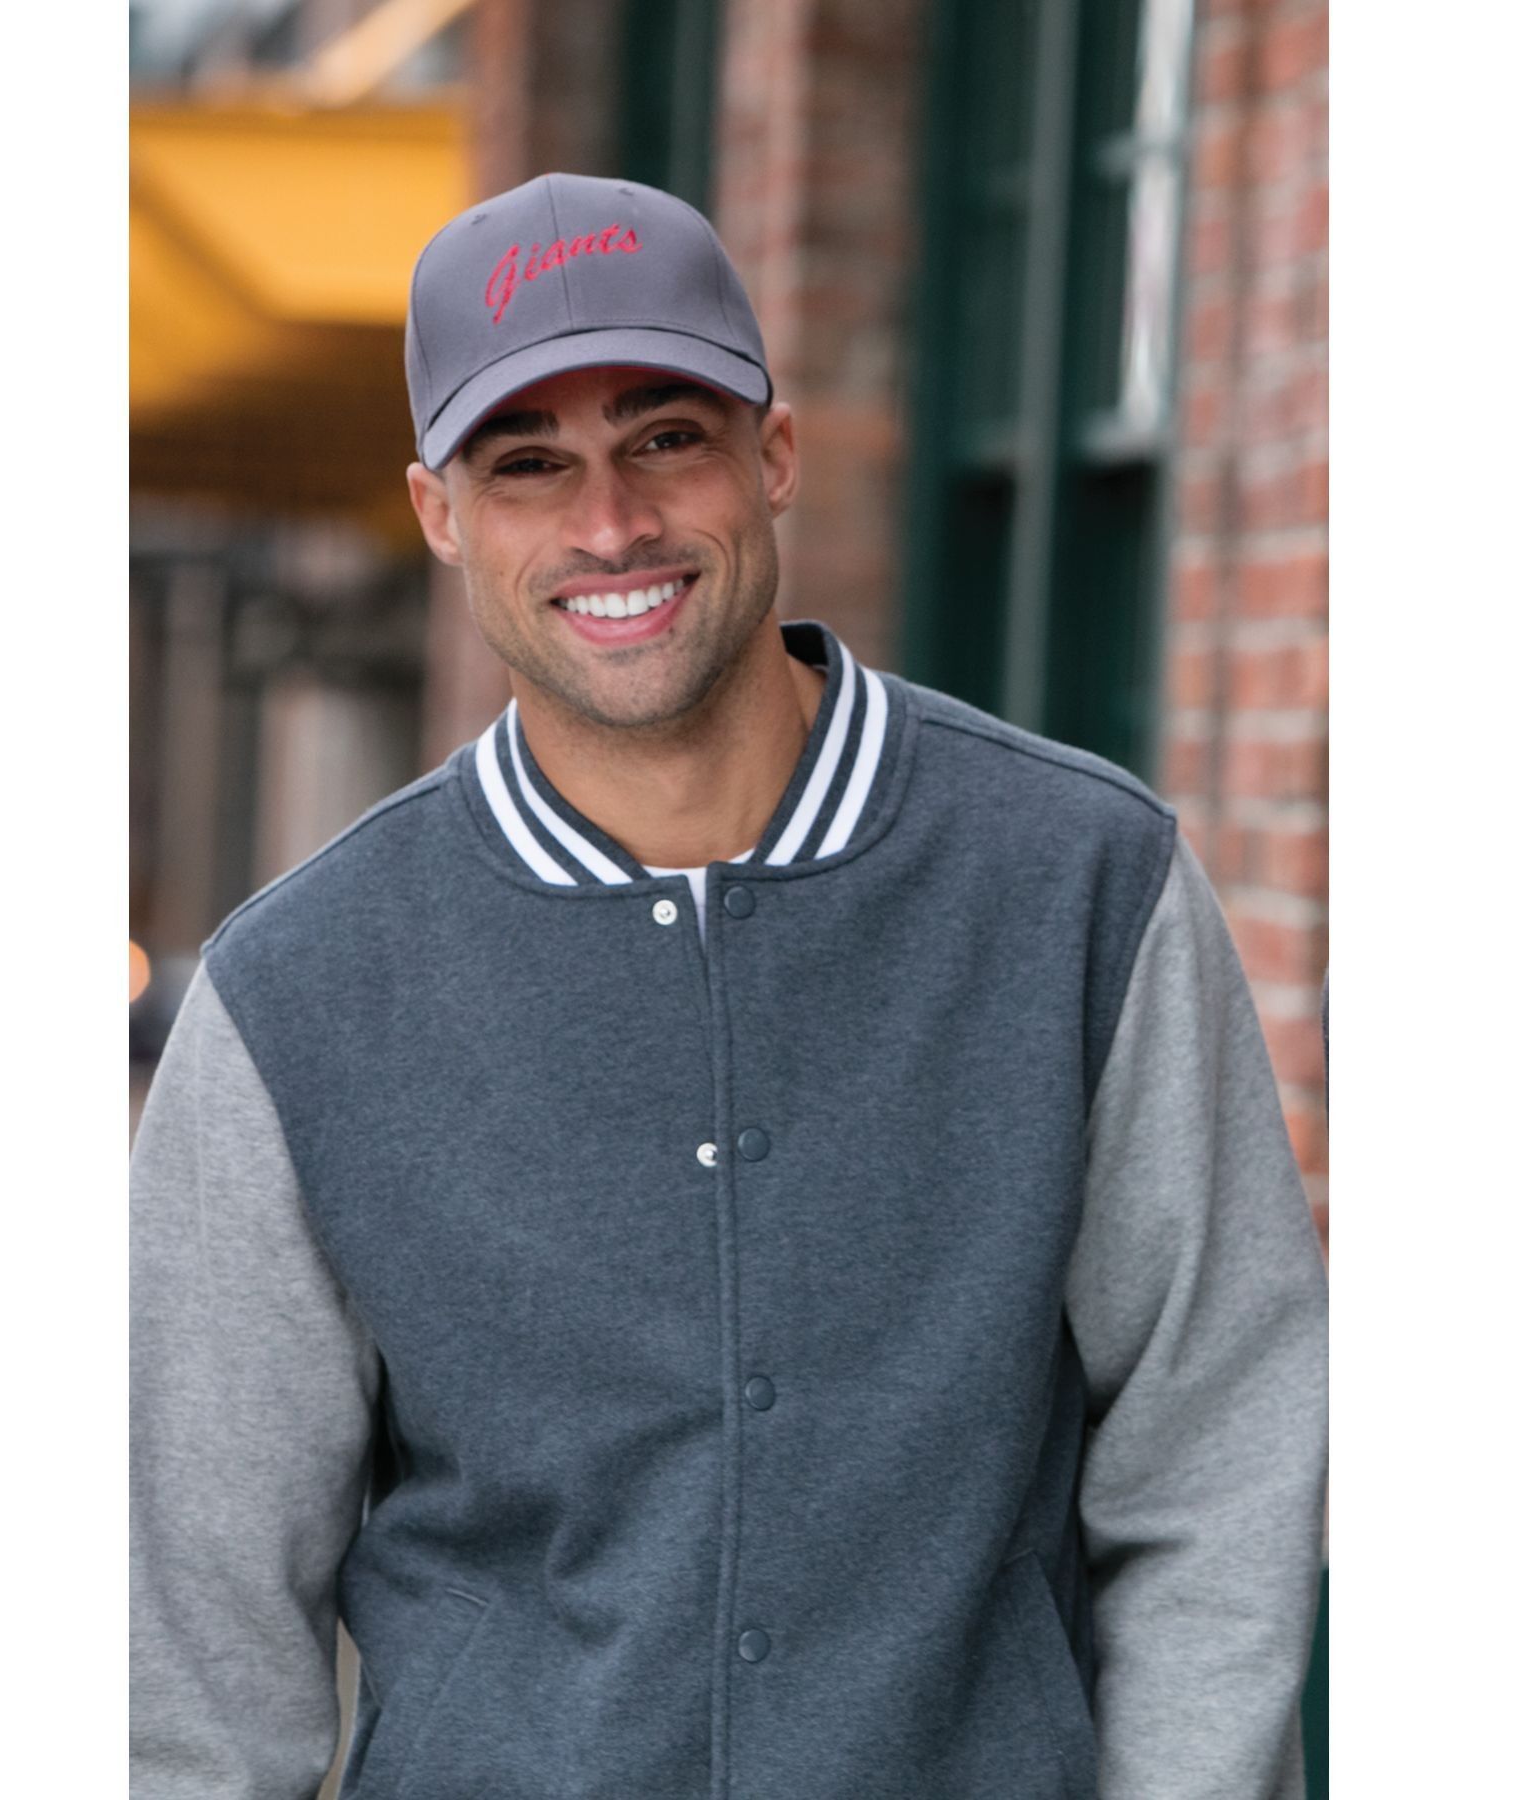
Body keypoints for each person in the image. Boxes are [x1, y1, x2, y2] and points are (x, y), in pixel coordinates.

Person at [130, 172, 1327, 1800]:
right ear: (440, 515)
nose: (610, 524)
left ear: (774, 454)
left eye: (666, 438)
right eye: (528, 464)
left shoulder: (1080, 887)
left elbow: (1218, 1451)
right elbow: (193, 1652)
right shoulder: (299, 996)